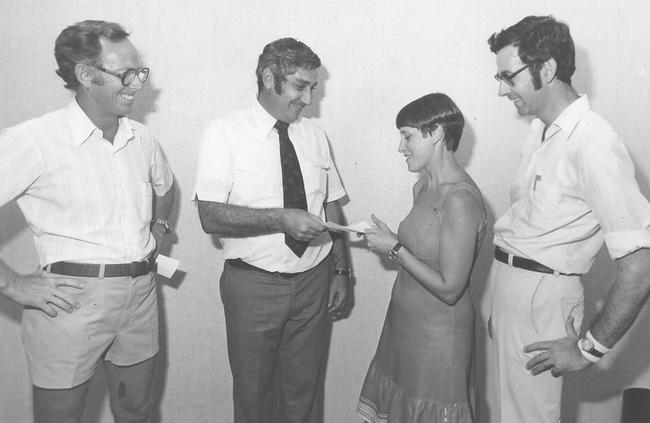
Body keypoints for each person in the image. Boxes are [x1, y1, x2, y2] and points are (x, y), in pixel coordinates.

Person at [0, 20, 174, 423]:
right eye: (125, 73)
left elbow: (167, 188)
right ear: (85, 73)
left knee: (137, 410)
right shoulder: (34, 140)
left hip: (142, 293)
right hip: (71, 299)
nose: (138, 83)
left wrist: (158, 231)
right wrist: (13, 284)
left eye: (140, 71)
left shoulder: (142, 138)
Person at [482, 15, 650, 423]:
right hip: (512, 289)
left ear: (548, 69)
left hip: (543, 296)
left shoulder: (594, 143)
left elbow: (640, 265)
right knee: (508, 414)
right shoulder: (542, 130)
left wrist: (589, 348)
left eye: (509, 77)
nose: (502, 90)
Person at [193, 37, 349, 423]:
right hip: (253, 286)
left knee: (303, 394)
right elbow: (209, 216)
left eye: (312, 88)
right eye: (300, 86)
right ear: (268, 77)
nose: (308, 99)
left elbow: (330, 204)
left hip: (314, 278)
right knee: (254, 398)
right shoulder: (223, 132)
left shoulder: (314, 134)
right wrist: (280, 218)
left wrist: (342, 271)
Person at [357, 93, 486, 423]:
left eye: (407, 135)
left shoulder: (461, 199)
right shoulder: (422, 187)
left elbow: (450, 288)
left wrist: (395, 249)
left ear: (437, 133)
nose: (401, 147)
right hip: (402, 329)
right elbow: (428, 253)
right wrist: (393, 241)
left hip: (439, 341)